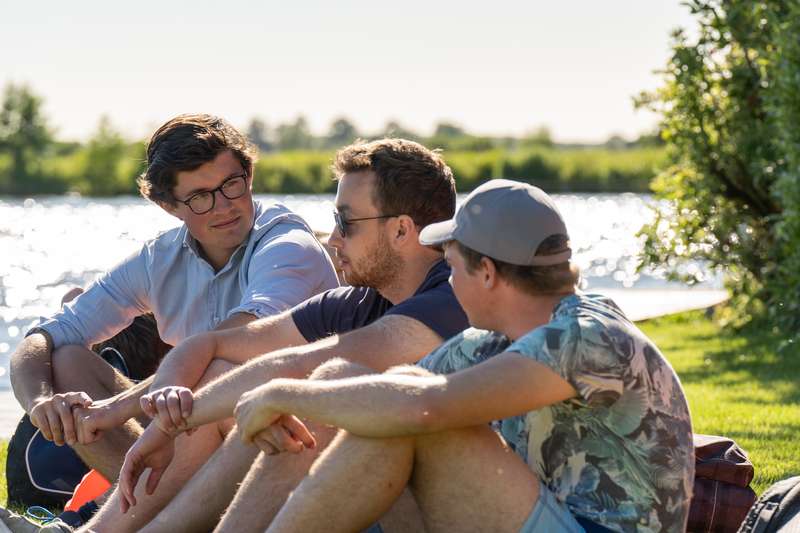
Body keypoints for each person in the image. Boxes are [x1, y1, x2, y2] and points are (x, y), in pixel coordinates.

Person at [232, 179, 696, 532]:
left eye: (452, 268)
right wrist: (300, 399)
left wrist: (281, 395)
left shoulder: (584, 336)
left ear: (488, 273)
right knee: (344, 379)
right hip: (536, 513)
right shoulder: (493, 341)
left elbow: (422, 407)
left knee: (414, 421)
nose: (447, 283)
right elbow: (391, 391)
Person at [69, 138, 471, 532]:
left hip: (452, 507)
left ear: (401, 230)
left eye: (346, 223)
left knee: (319, 401)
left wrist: (174, 424)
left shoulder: (454, 296)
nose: (333, 239)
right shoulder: (359, 301)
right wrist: (162, 422)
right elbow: (208, 345)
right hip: (379, 489)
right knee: (225, 374)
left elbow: (296, 365)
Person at [8, 113, 339, 487]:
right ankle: (143, 498)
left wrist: (115, 409)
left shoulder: (288, 245)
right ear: (169, 206)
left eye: (232, 184)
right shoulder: (158, 259)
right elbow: (43, 338)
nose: (224, 206)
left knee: (221, 372)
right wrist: (39, 404)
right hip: (199, 426)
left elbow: (233, 343)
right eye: (200, 197)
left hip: (292, 425)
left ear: (249, 175)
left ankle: (153, 506)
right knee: (66, 360)